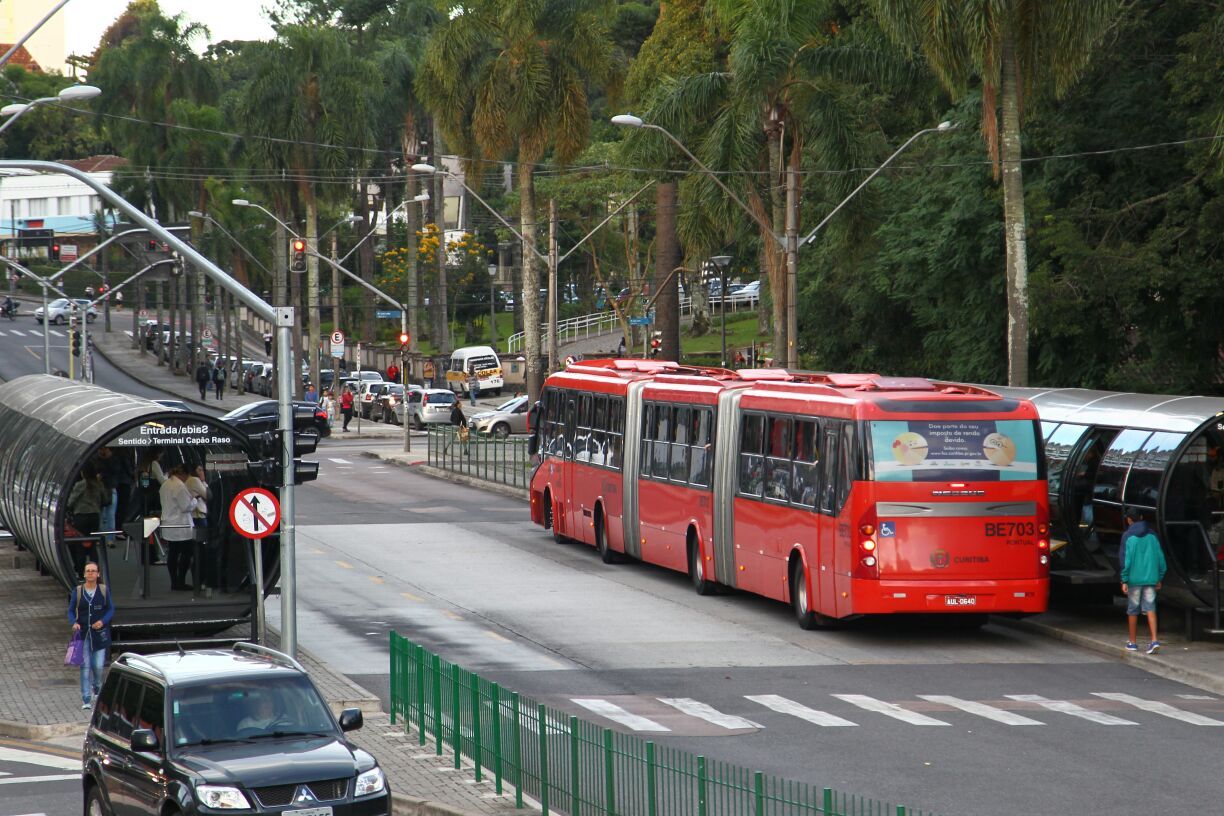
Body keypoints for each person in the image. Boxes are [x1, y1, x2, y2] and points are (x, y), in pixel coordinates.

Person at [1119, 507, 1167, 654]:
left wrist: (1124, 580)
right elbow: (1161, 559)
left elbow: (1125, 561)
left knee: (1133, 610)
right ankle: (1154, 640)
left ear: (1129, 520)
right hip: (1151, 579)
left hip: (1134, 579)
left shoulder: (1128, 536)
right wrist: (1159, 576)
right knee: (1150, 608)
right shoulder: (1152, 535)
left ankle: (1132, 642)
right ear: (1141, 517)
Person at [68, 562, 113, 709]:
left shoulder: (104, 590)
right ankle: (86, 698)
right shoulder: (78, 591)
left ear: (98, 574)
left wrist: (103, 621)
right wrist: (74, 622)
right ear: (84, 574)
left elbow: (111, 610)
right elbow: (70, 610)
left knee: (98, 666)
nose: (90, 574)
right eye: (88, 571)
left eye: (93, 571)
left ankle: (97, 686)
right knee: (85, 666)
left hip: (99, 635)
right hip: (83, 635)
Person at [159, 463, 196, 591]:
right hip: (181, 525)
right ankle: (180, 581)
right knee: (186, 553)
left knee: (173, 553)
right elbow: (186, 506)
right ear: (183, 474)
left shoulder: (166, 484)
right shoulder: (179, 486)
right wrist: (194, 500)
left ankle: (174, 581)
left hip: (168, 523)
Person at [67, 464, 108, 575]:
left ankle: (81, 572)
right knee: (92, 544)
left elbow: (70, 501)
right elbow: (105, 500)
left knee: (80, 545)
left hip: (81, 517)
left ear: (83, 473)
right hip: (94, 516)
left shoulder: (80, 485)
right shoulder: (99, 484)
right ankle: (94, 571)